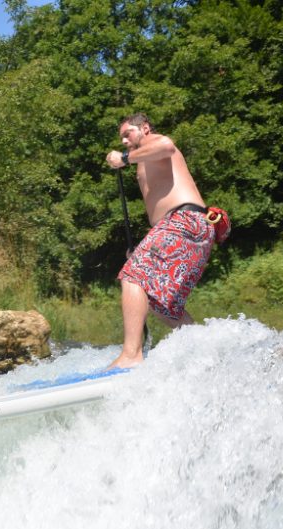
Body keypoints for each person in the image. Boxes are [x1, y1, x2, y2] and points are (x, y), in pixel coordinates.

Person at [105, 113, 215, 369]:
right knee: (163, 305)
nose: (123, 140)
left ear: (144, 128)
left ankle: (131, 356)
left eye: (128, 133)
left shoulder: (155, 143)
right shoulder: (145, 157)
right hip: (186, 226)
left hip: (184, 220)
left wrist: (123, 159)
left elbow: (166, 146)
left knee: (134, 276)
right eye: (121, 137)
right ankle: (205, 352)